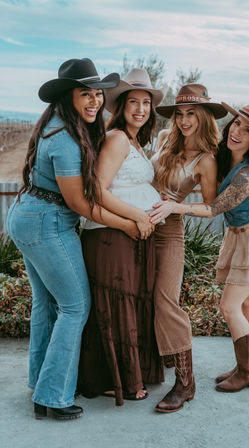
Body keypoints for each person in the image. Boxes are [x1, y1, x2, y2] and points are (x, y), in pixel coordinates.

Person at [5, 58, 141, 420]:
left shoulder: (56, 123)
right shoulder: (65, 139)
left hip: (27, 216)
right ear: (69, 96)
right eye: (86, 94)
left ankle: (41, 382)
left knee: (46, 304)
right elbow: (80, 203)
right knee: (75, 307)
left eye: (98, 93)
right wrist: (127, 223)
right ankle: (52, 396)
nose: (95, 101)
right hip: (47, 224)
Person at [150, 101, 249, 393]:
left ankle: (248, 372)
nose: (237, 131)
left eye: (247, 130)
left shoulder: (248, 175)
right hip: (242, 235)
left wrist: (176, 206)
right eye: (237, 123)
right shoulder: (227, 159)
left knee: (229, 306)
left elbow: (213, 208)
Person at [77, 69, 166, 405]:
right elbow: (97, 191)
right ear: (121, 106)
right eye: (134, 102)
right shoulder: (115, 138)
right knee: (115, 306)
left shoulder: (134, 142)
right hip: (111, 237)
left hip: (131, 236)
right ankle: (110, 380)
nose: (141, 109)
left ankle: (130, 372)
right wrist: (137, 216)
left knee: (129, 302)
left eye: (146, 103)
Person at [151, 84, 227, 412]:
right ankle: (147, 368)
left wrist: (175, 207)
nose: (184, 120)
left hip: (168, 232)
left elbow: (212, 208)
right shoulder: (164, 140)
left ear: (204, 116)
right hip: (135, 225)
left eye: (191, 114)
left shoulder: (206, 160)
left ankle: (186, 383)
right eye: (180, 113)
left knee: (166, 302)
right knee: (139, 296)